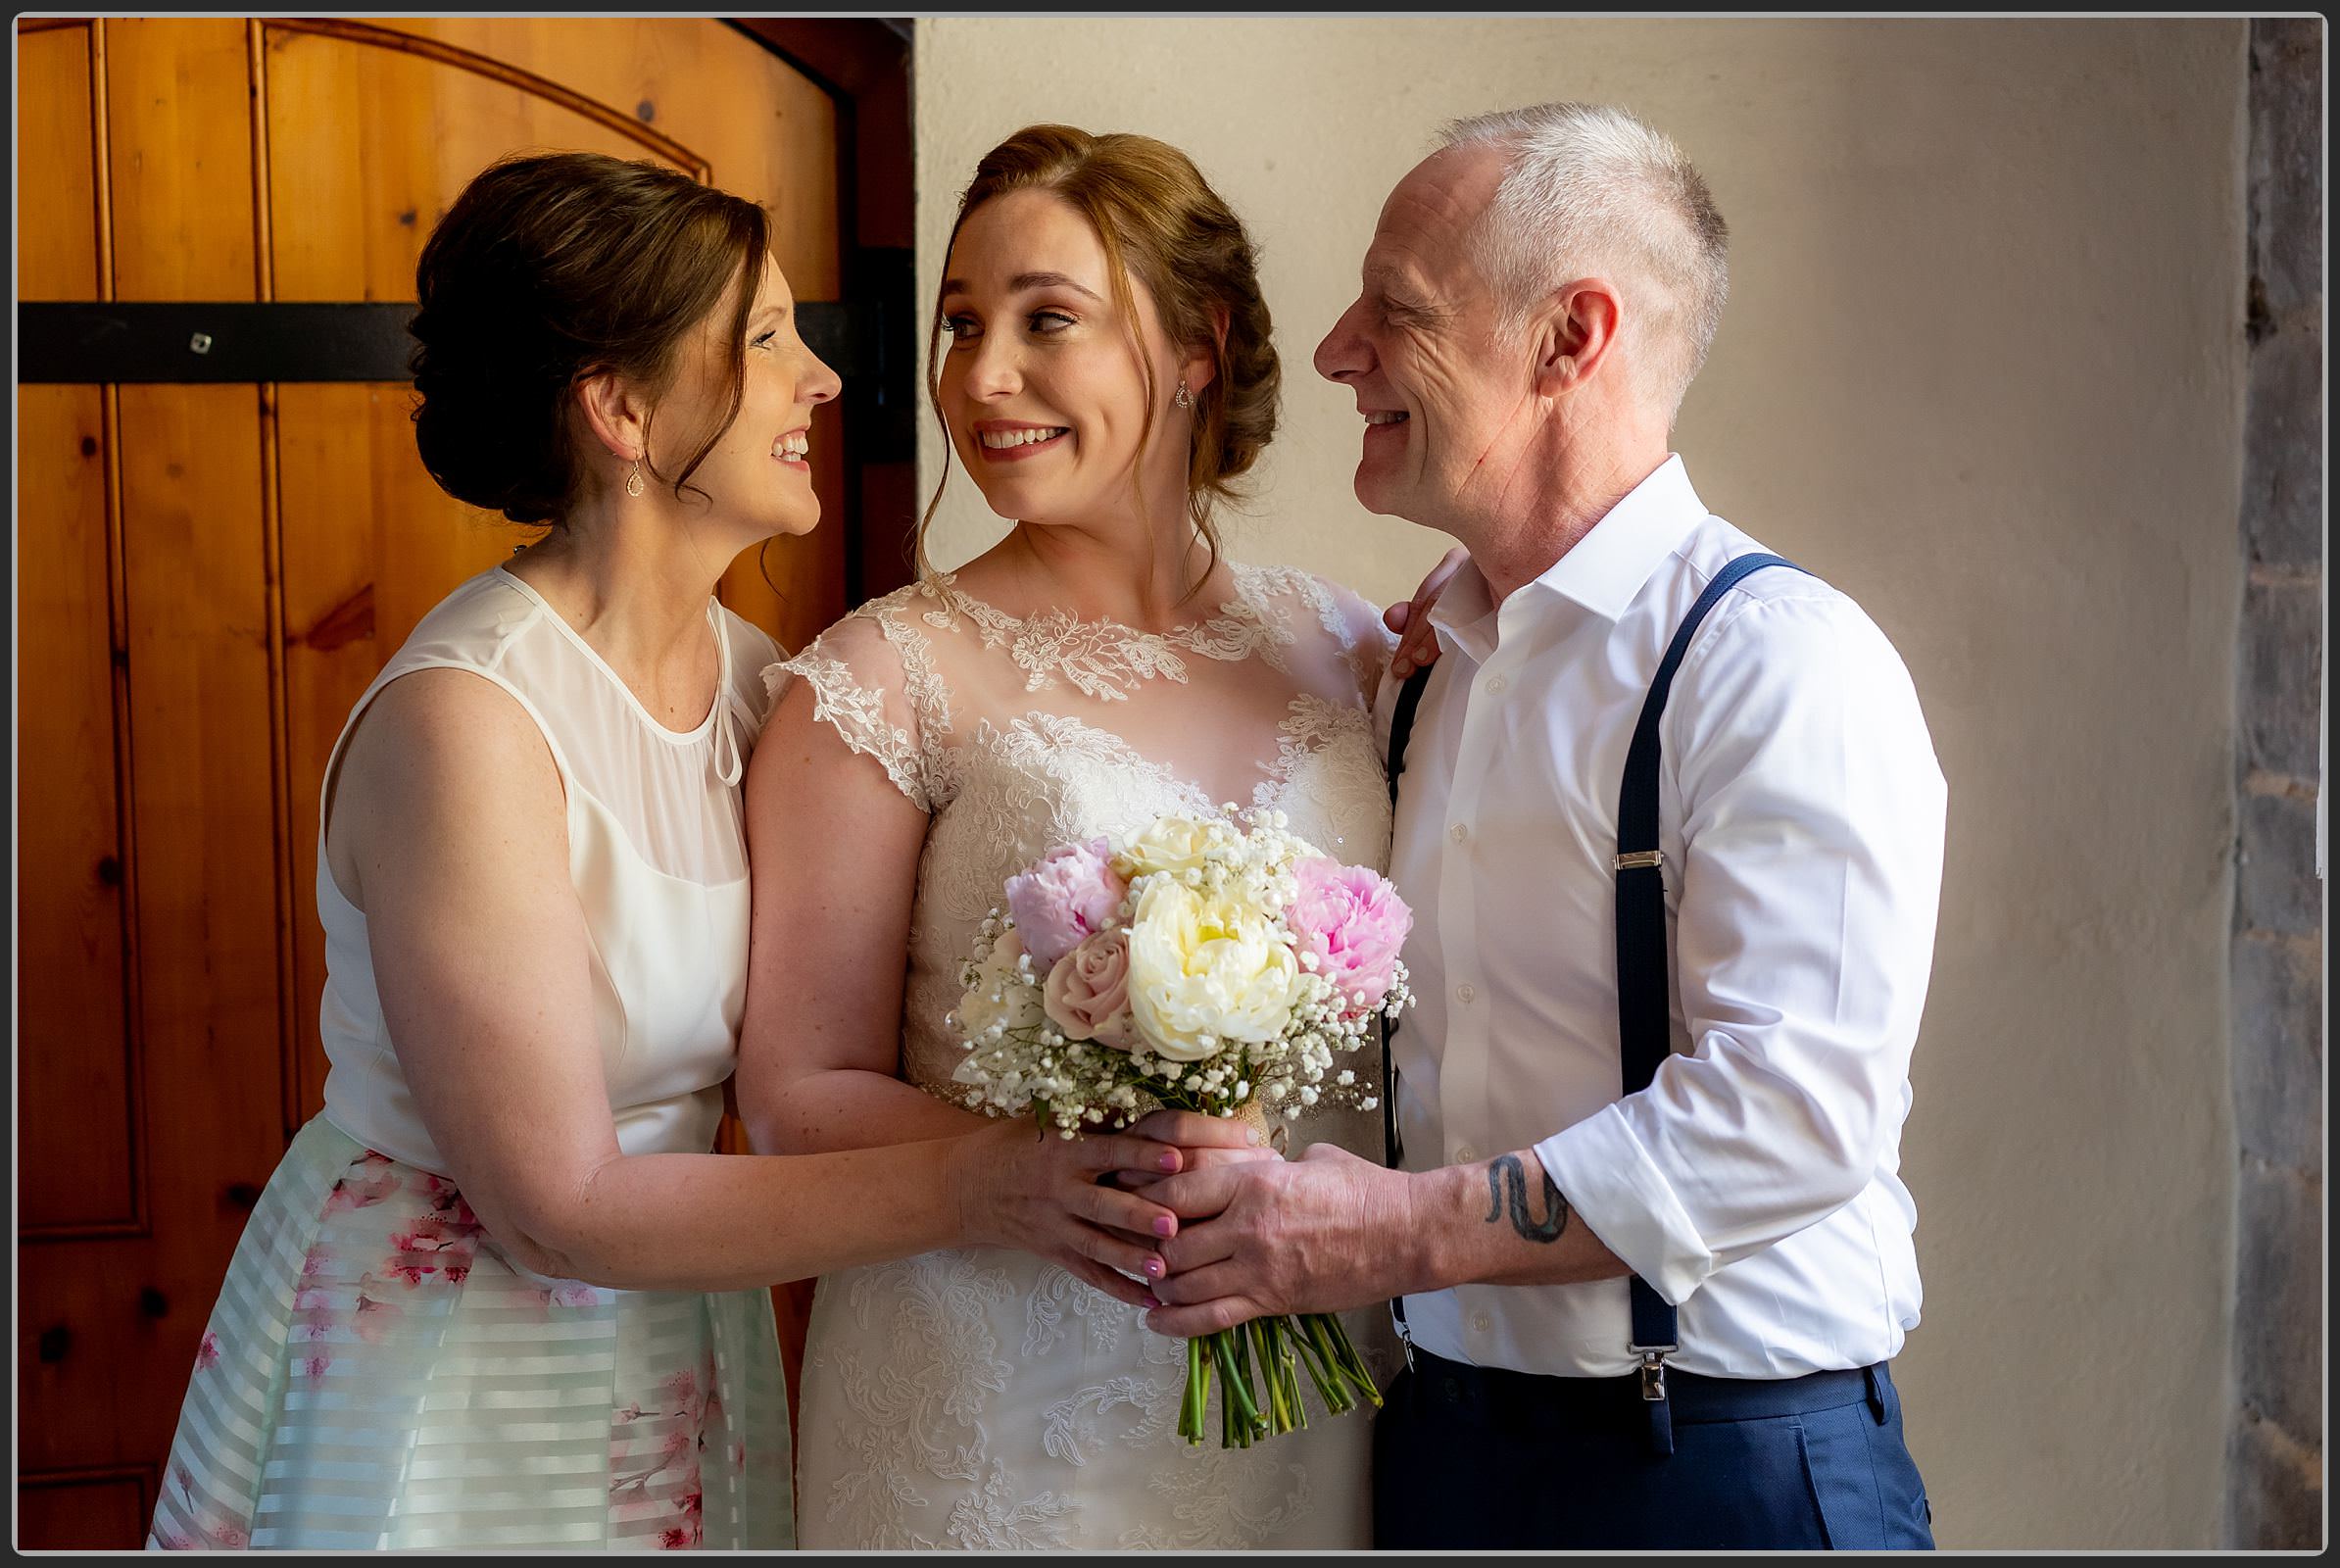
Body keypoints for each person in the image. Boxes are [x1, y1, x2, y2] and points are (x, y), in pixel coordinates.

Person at [145, 150, 1239, 1553]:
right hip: (454, 1357)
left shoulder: (758, 688)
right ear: (620, 407)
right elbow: (558, 1206)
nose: (824, 381)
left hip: (673, 1347)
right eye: (768, 340)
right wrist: (986, 1183)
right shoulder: (466, 728)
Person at [1144, 102, 1947, 1551]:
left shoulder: (1777, 662)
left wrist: (1387, 1233)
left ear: (1571, 339)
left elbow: (1798, 1114)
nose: (1334, 351)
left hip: (1715, 1474)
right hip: (1441, 1450)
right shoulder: (1424, 671)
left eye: (1396, 310)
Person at [737, 123, 1438, 1550]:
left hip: (1305, 1396)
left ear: (1194, 346)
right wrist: (1055, 1169)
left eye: (1046, 320)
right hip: (991, 1402)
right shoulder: (882, 683)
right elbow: (796, 1091)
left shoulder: (1350, 649)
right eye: (959, 325)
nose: (980, 378)